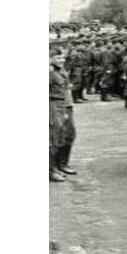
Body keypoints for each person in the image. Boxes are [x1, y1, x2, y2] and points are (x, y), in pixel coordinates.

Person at [50, 48, 77, 181]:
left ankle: (62, 163)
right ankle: (52, 169)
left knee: (69, 135)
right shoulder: (50, 72)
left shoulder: (61, 70)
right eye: (58, 58)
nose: (61, 60)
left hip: (66, 105)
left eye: (62, 57)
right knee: (55, 138)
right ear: (50, 59)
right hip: (55, 106)